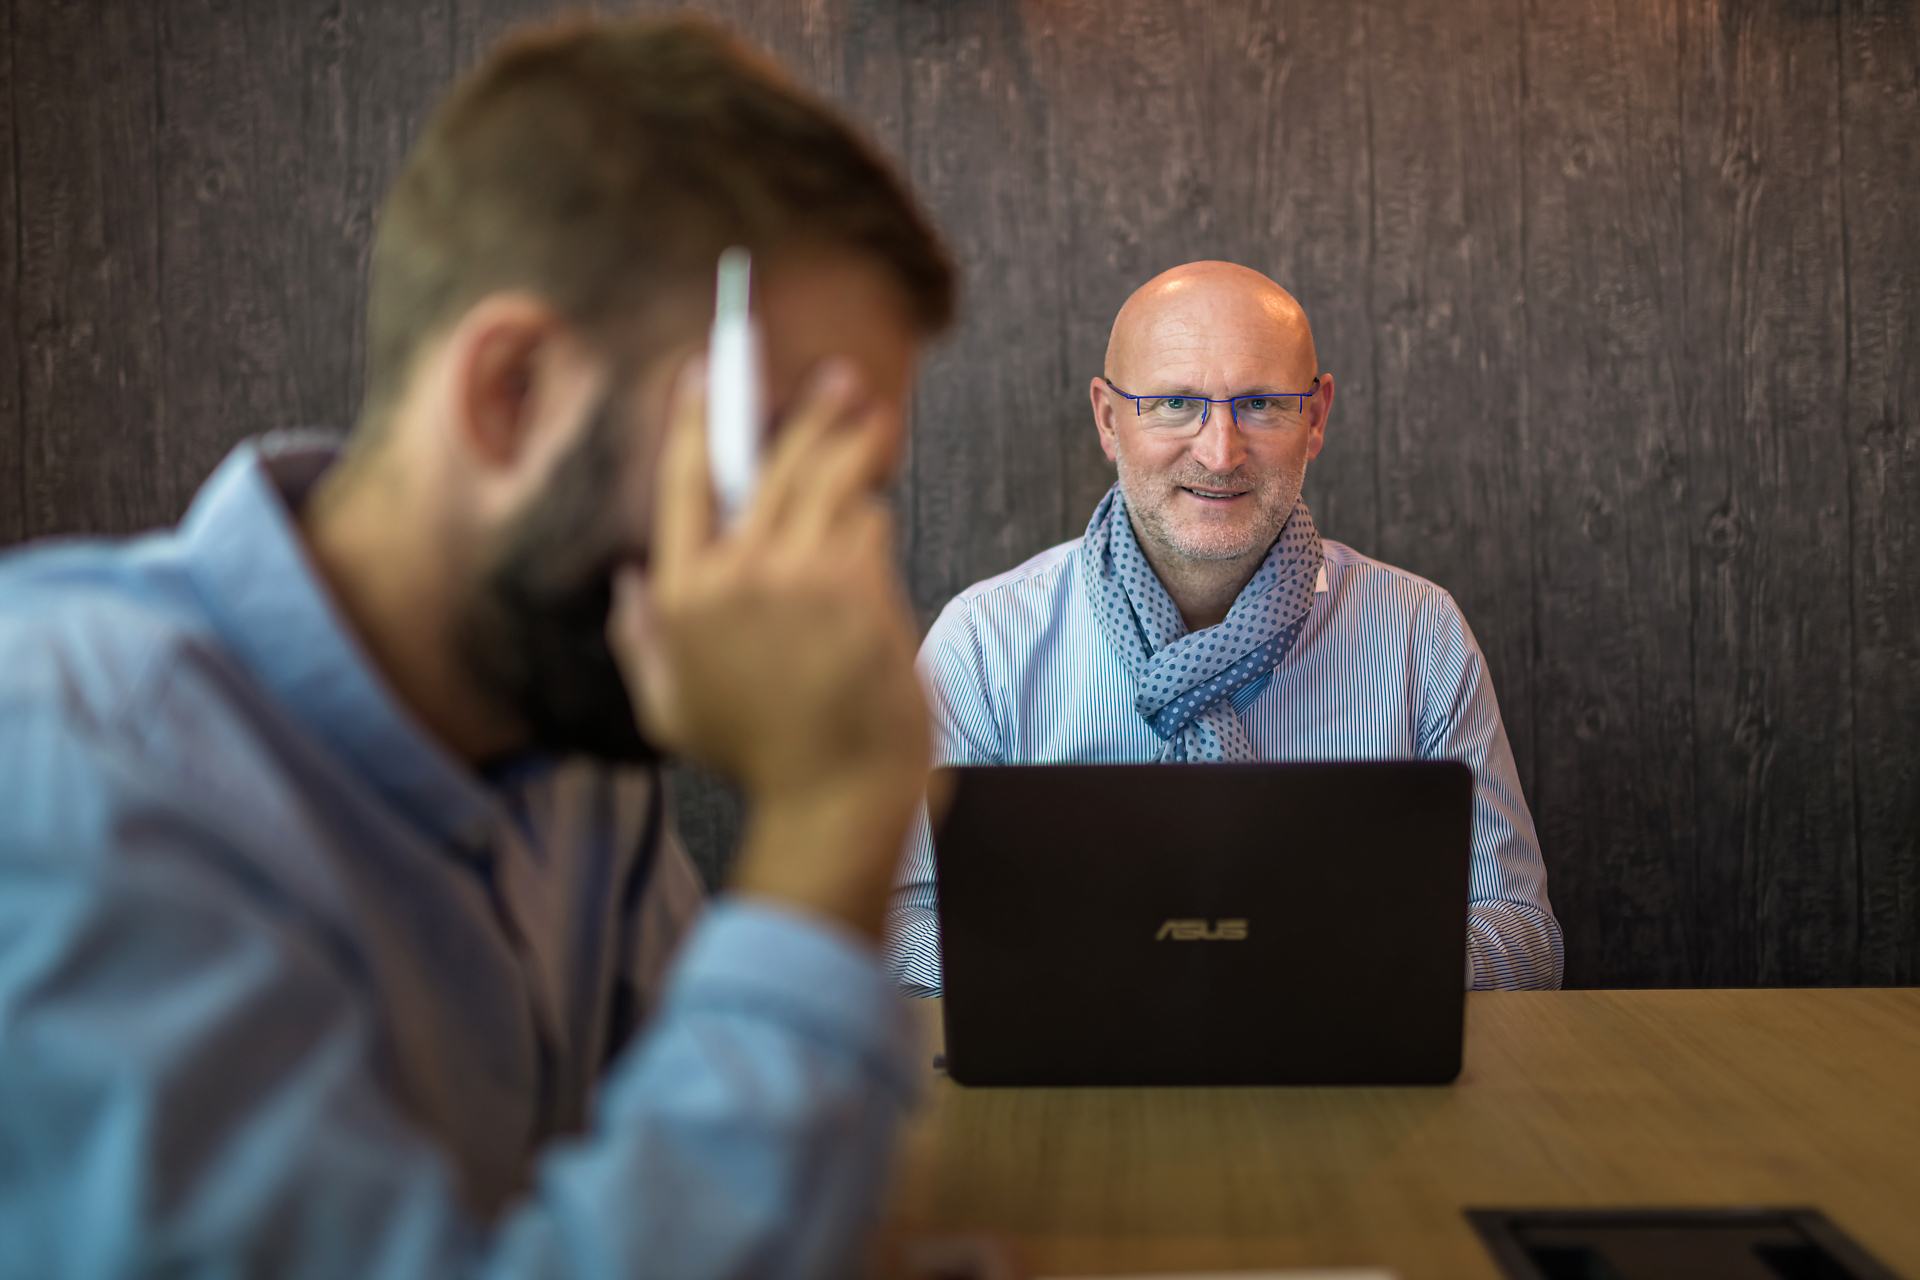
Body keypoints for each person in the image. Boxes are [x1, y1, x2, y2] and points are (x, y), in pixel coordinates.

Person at [0, 17, 957, 1280]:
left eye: (848, 491)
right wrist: (832, 811)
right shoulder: (70, 768)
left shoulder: (574, 735)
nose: (815, 561)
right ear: (511, 392)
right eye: (772, 464)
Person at [886, 261, 1562, 996]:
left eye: (1264, 404)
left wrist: (1338, 965)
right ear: (1110, 421)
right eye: (1175, 403)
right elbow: (895, 925)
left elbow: (1522, 934)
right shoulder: (983, 644)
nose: (1220, 452)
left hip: (1350, 1090)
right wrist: (1094, 973)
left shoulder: (1418, 635)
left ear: (1317, 419)